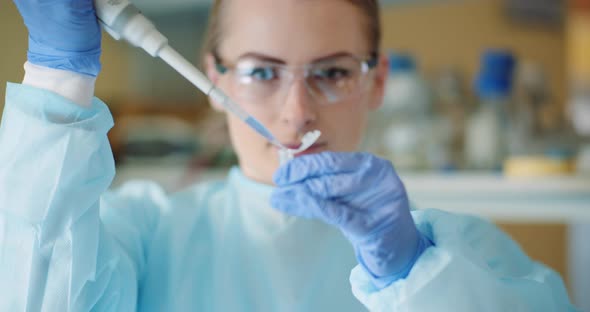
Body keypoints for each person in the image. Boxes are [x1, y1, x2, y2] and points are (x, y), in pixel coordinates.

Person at [0, 0, 577, 311]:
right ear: (214, 80)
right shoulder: (146, 232)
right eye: (260, 72)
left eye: (330, 72)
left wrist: (417, 276)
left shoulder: (466, 256)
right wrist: (57, 75)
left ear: (376, 84)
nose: (297, 112)